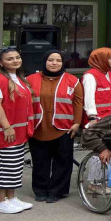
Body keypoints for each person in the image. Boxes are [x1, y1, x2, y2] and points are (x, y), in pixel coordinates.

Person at [26, 50, 83, 203]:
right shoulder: (30, 79)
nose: (54, 63)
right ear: (45, 61)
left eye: (58, 60)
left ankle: (57, 191)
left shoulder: (73, 81)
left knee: (63, 161)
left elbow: (78, 103)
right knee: (40, 161)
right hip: (39, 127)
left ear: (63, 63)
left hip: (64, 128)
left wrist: (77, 123)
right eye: (51, 60)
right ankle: (40, 190)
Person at [0, 47, 35, 213]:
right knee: (4, 166)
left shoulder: (19, 79)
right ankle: (0, 202)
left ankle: (11, 198)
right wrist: (6, 127)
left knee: (14, 166)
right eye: (9, 59)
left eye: (17, 57)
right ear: (0, 63)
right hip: (5, 132)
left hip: (18, 132)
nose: (15, 60)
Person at [82, 48, 111, 126]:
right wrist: (92, 117)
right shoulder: (90, 76)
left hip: (109, 118)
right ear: (102, 59)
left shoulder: (110, 74)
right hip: (96, 120)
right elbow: (88, 99)